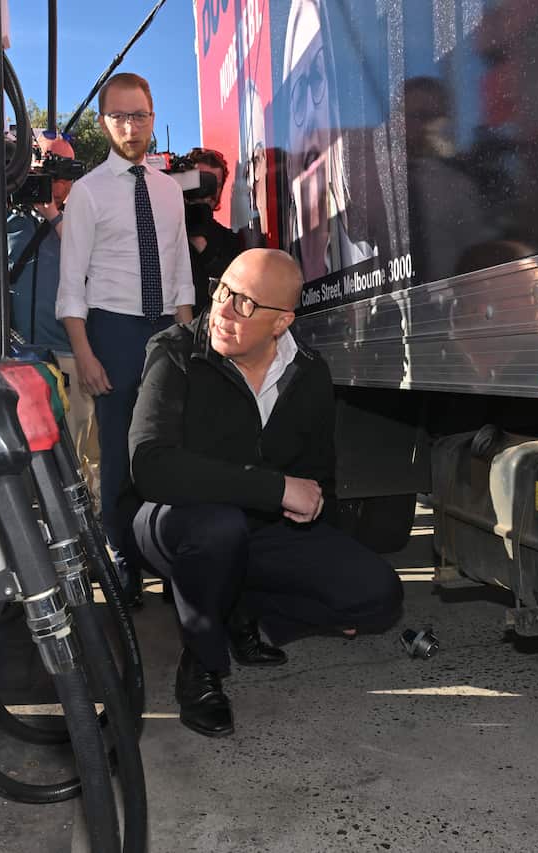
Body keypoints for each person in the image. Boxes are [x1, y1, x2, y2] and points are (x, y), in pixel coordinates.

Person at [127, 248, 404, 738]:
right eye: (223, 290)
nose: (224, 311)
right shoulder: (174, 352)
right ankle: (202, 663)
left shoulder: (309, 372)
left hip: (260, 532)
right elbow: (150, 466)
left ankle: (241, 613)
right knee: (218, 528)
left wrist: (328, 571)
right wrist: (273, 488)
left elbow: (318, 480)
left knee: (377, 594)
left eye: (246, 304)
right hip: (177, 523)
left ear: (282, 323)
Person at [57, 72, 195, 594]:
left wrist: (185, 339)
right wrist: (85, 353)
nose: (130, 125)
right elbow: (71, 285)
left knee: (166, 447)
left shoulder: (168, 192)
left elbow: (181, 268)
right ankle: (121, 559)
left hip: (167, 331)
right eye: (118, 115)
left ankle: (163, 547)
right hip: (111, 330)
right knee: (116, 450)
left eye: (139, 115)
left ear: (153, 120)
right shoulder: (88, 194)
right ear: (103, 121)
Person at [7, 133, 99, 497]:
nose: (56, 183)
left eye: (64, 175)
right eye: (47, 171)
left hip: (70, 355)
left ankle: (92, 534)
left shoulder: (83, 218)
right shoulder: (6, 216)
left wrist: (54, 216)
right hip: (18, 358)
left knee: (82, 456)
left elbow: (96, 267)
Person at [184, 147, 242, 314]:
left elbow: (234, 286)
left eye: (214, 185)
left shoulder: (229, 239)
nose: (206, 190)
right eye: (200, 181)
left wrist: (202, 246)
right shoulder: (165, 229)